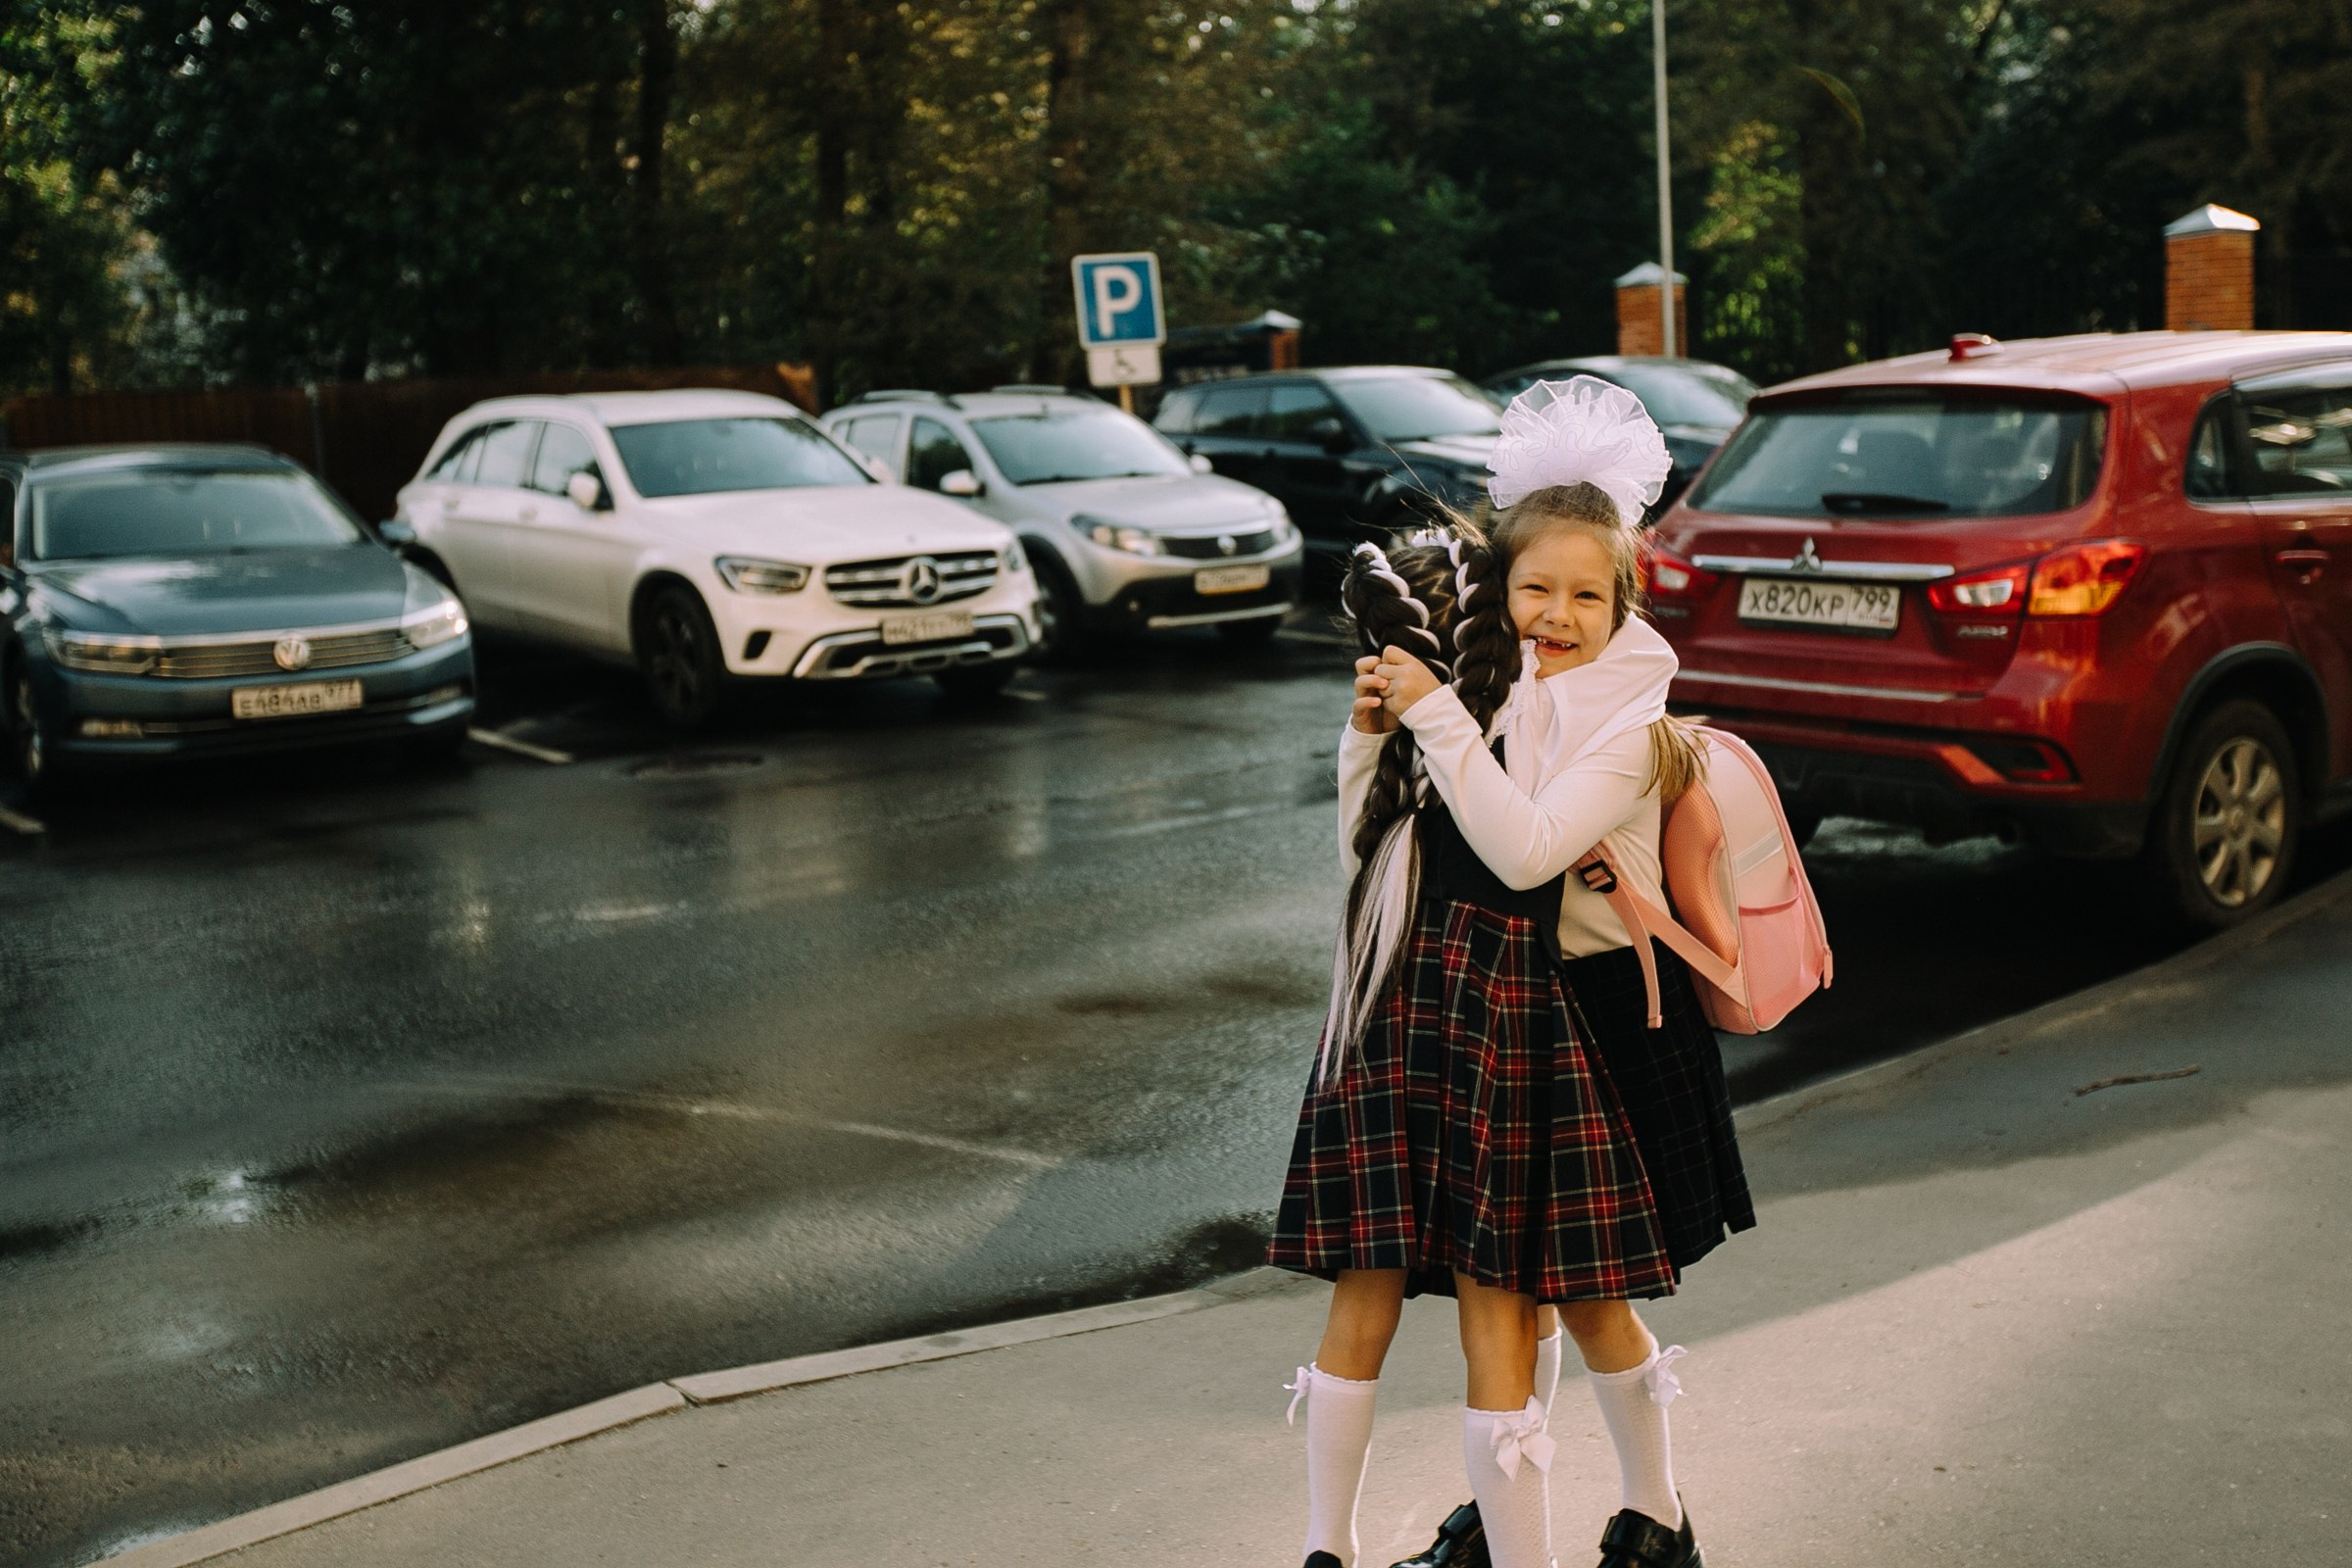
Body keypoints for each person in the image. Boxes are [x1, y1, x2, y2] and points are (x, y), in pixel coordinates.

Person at [1267, 377, 1755, 1568]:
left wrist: (1434, 714)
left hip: (1598, 1013)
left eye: (1589, 591)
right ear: (1501, 589)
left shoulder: (1628, 722)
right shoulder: (1497, 684)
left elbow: (1525, 848)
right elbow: (1388, 849)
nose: (1558, 611)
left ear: (1624, 599)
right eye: (1535, 586)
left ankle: (1657, 1520)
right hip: (1493, 1004)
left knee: (1579, 1295)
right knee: (1516, 1285)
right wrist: (1380, 727)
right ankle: (1507, 1525)